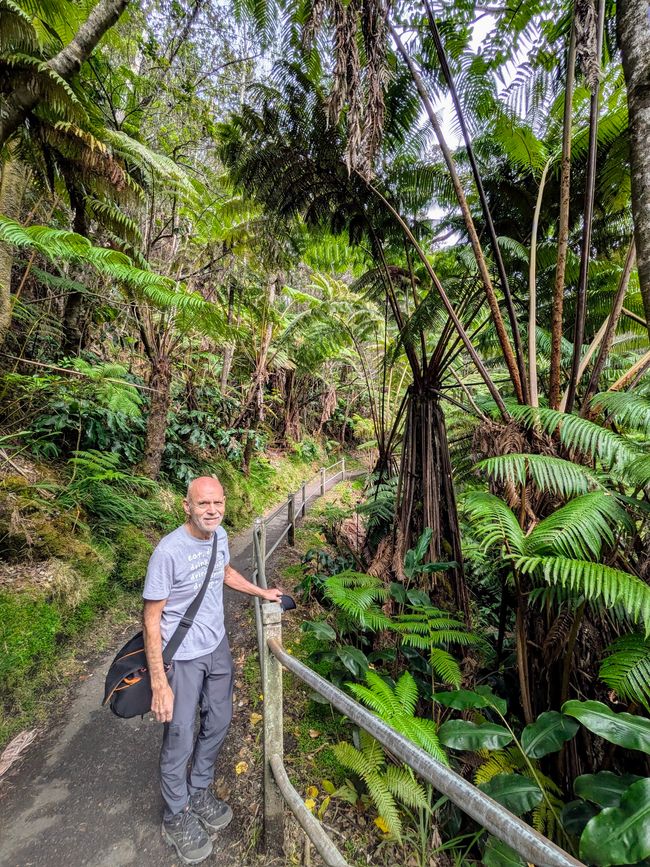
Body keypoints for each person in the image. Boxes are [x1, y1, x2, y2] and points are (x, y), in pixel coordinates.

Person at [142, 475, 282, 865]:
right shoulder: (168, 551)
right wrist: (159, 682)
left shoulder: (219, 538)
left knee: (219, 719)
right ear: (186, 506)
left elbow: (223, 574)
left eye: (217, 503)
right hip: (183, 658)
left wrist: (261, 592)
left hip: (216, 648)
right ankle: (176, 813)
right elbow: (151, 619)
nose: (212, 510)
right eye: (203, 504)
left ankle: (198, 788)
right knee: (181, 733)